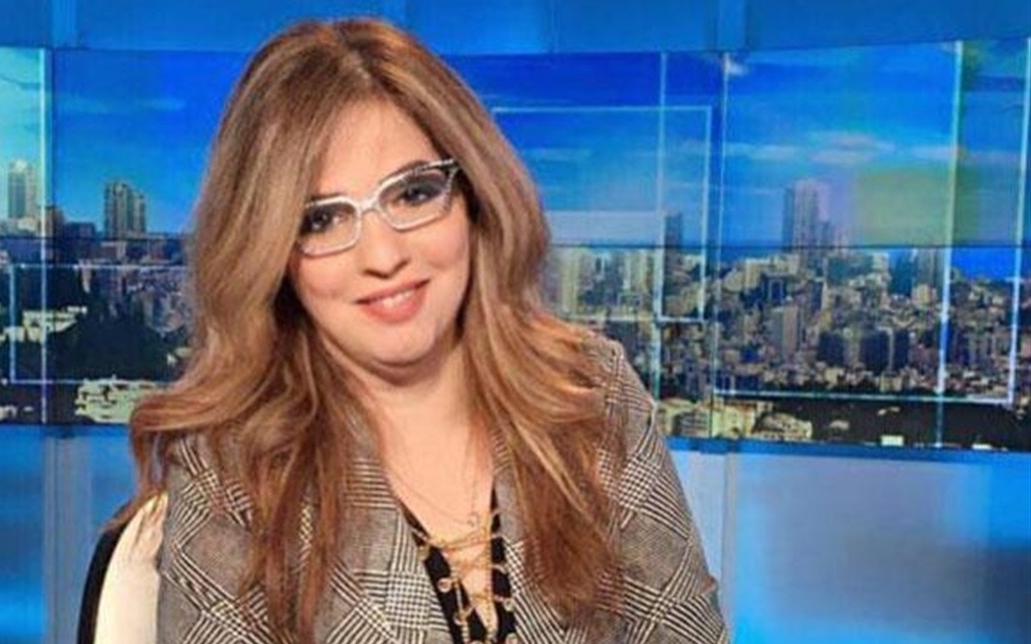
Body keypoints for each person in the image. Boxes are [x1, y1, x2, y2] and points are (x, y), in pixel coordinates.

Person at [124, 17, 727, 644]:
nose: (384, 255)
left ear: (473, 196)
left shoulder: (591, 394)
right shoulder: (231, 467)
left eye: (412, 194)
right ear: (273, 253)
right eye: (322, 219)